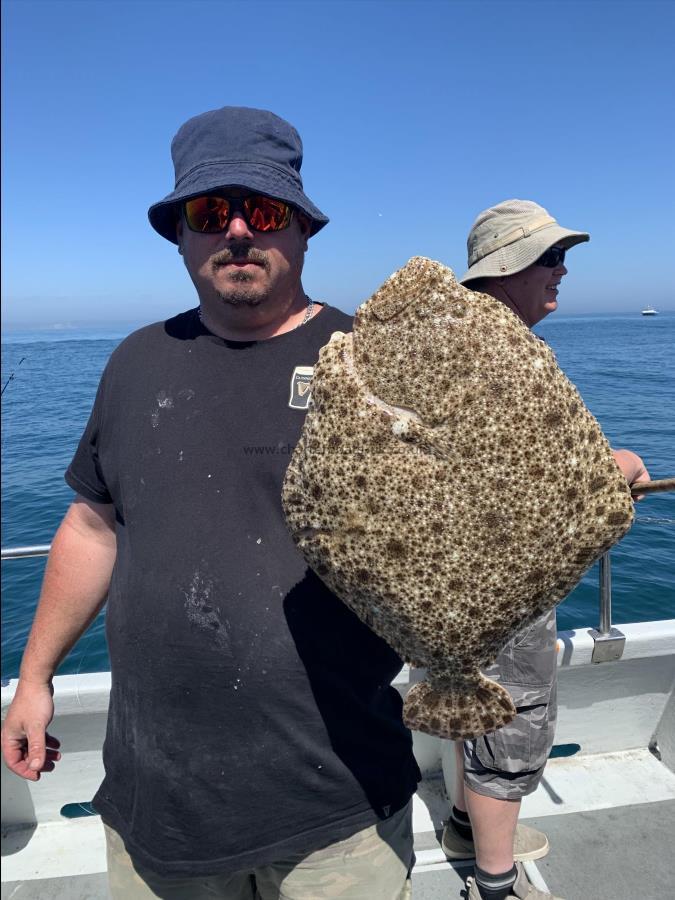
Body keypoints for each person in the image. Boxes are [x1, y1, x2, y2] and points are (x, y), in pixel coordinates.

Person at [1, 106, 421, 899]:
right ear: (182, 234)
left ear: (300, 229)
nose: (235, 231)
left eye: (261, 211)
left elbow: (474, 495)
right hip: (160, 798)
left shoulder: (379, 363)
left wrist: (583, 475)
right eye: (208, 212)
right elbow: (93, 526)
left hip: (339, 803)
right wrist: (34, 678)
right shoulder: (135, 362)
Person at [440, 199, 650, 900]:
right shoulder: (507, 355)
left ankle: (464, 829)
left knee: (473, 703)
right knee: (513, 718)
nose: (562, 272)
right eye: (551, 258)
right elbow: (560, 489)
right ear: (507, 268)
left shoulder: (446, 341)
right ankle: (495, 884)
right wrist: (620, 465)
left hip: (450, 583)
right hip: (502, 589)